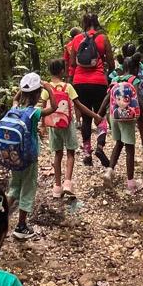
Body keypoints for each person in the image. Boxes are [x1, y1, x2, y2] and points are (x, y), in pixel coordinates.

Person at [65, 13, 114, 167]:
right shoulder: (103, 38)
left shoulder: (76, 39)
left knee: (86, 118)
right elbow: (112, 63)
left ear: (84, 23)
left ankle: (87, 152)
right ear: (96, 22)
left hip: (80, 82)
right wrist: (105, 72)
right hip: (99, 82)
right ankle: (100, 146)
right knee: (100, 115)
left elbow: (72, 62)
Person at [41, 58, 88, 200]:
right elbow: (78, 105)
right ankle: (67, 182)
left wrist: (43, 125)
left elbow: (43, 108)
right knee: (70, 153)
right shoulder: (68, 87)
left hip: (53, 125)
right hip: (67, 124)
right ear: (62, 71)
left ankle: (56, 187)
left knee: (57, 154)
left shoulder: (47, 87)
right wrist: (93, 116)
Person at [6, 72, 45, 239]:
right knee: (27, 190)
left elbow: (15, 99)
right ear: (37, 94)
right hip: (29, 158)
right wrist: (49, 88)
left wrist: (22, 90)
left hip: (14, 157)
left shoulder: (14, 109)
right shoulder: (33, 113)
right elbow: (55, 107)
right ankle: (21, 226)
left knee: (14, 188)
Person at [99, 53, 143, 193]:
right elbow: (138, 100)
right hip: (127, 117)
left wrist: (99, 114)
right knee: (130, 148)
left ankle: (109, 171)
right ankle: (131, 183)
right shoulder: (133, 80)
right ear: (135, 68)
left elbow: (107, 97)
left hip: (114, 116)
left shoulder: (115, 79)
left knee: (118, 143)